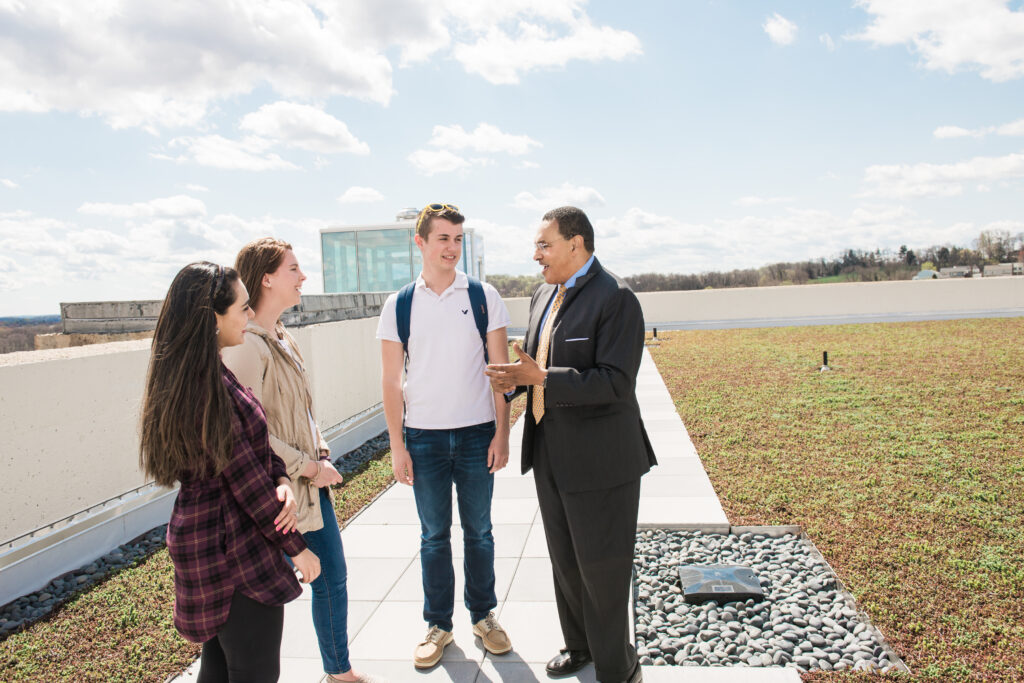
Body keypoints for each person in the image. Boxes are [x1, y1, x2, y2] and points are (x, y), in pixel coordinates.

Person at [485, 206, 656, 683]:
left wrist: (541, 377)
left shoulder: (617, 298)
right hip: (549, 452)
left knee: (603, 569)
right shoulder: (543, 293)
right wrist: (516, 380)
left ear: (576, 244)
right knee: (566, 560)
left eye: (544, 244)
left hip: (602, 461)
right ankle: (579, 646)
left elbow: (616, 382)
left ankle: (619, 668)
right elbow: (540, 362)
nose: (535, 254)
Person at [140, 261, 321, 683]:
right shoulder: (209, 392)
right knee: (253, 672)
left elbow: (254, 448)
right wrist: (298, 548)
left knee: (219, 668)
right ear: (213, 318)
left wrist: (281, 479)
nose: (251, 315)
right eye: (242, 308)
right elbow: (247, 483)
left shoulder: (200, 376)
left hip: (210, 547)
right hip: (232, 553)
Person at [221, 238, 378, 683]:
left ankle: (337, 671)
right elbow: (246, 433)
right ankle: (339, 673)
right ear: (267, 278)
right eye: (294, 268)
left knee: (329, 575)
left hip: (306, 484)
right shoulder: (248, 347)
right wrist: (308, 466)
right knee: (317, 579)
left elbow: (302, 413)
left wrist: (321, 451)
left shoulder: (282, 337)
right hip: (280, 490)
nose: (303, 276)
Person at [376, 203, 514, 669]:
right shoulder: (399, 304)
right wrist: (397, 445)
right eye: (443, 239)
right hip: (424, 440)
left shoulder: (483, 295)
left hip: (477, 436)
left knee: (479, 532)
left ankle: (484, 616)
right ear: (420, 242)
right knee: (434, 536)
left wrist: (502, 433)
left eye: (458, 239)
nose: (452, 248)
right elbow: (391, 383)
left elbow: (500, 373)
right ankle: (439, 625)